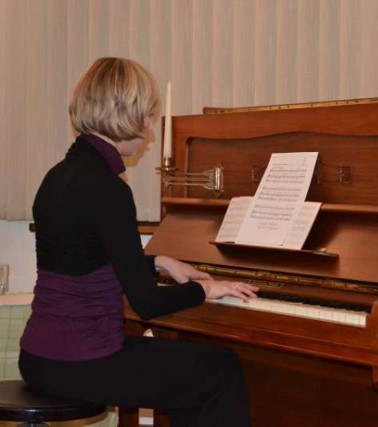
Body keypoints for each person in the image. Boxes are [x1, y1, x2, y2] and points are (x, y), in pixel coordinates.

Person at [19, 57, 258, 427]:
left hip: (38, 357)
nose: (150, 127)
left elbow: (85, 260)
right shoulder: (109, 189)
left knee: (188, 372)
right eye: (146, 115)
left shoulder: (58, 176)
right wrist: (204, 290)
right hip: (81, 363)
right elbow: (147, 303)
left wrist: (159, 261)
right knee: (219, 370)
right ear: (122, 115)